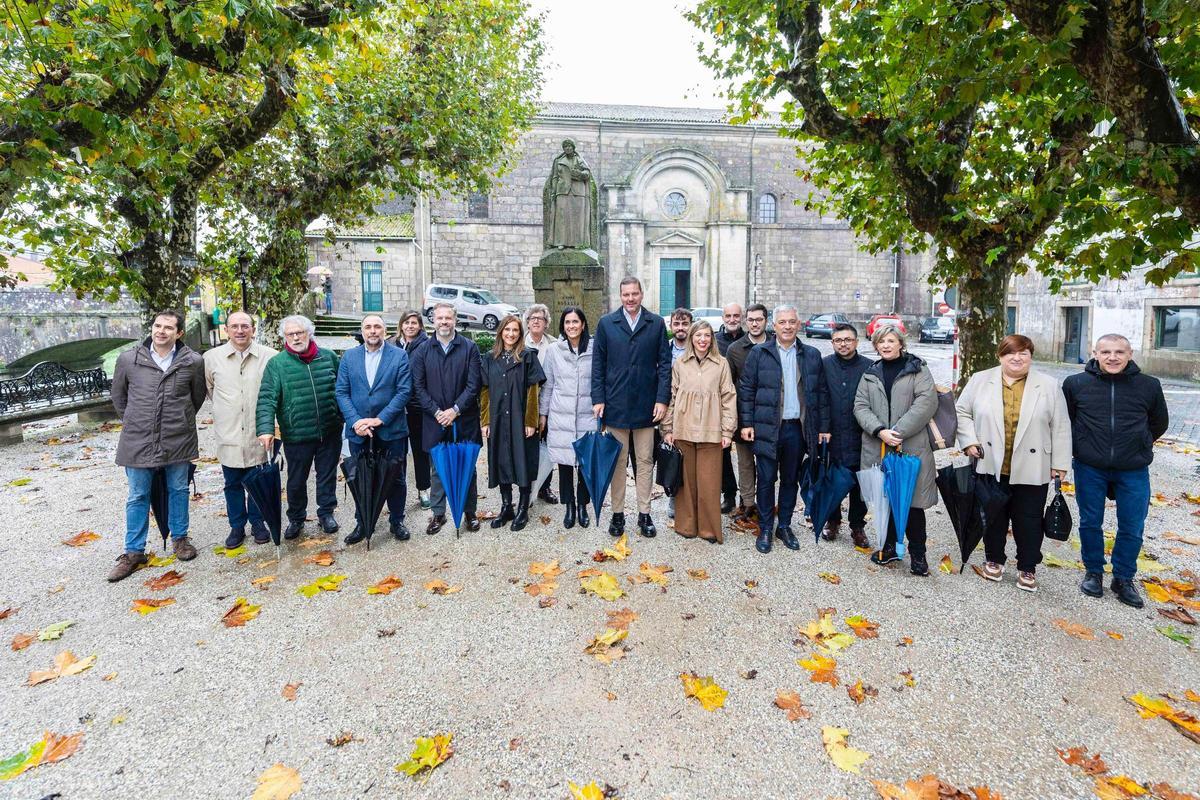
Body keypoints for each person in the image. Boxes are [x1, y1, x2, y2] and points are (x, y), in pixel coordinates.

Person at [955, 334, 1071, 592]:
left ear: (1031, 356)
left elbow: (1061, 426)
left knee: (1028, 519)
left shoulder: (1049, 385)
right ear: (1000, 356)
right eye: (1010, 353)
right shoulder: (980, 380)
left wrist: (1060, 463)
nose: (1017, 358)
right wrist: (968, 440)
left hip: (1033, 464)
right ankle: (994, 559)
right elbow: (961, 412)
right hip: (990, 460)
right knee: (993, 515)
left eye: (1023, 353)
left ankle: (1027, 565)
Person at [1063, 333, 1169, 608]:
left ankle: (1123, 577)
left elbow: (1159, 423)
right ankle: (1094, 571)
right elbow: (1067, 422)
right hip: (1090, 466)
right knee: (1090, 522)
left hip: (1133, 468)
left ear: (1130, 354)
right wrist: (1082, 446)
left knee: (1133, 526)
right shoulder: (1076, 384)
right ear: (1095, 353)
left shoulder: (1149, 385)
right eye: (1106, 352)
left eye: (1119, 352)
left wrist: (1139, 444)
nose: (1113, 357)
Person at [107, 310, 207, 582]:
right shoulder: (130, 359)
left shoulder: (193, 361)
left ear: (179, 333)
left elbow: (196, 397)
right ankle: (133, 551)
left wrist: (180, 418)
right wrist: (136, 420)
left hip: (178, 437)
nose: (161, 331)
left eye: (168, 328)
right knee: (138, 495)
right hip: (137, 438)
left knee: (178, 488)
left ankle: (180, 539)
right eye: (157, 326)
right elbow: (119, 397)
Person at [739, 305, 830, 554]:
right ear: (774, 326)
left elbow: (820, 393)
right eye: (782, 322)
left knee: (790, 480)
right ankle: (766, 527)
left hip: (797, 430)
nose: (787, 326)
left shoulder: (811, 355)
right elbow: (746, 390)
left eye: (792, 322)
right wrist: (746, 424)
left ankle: (785, 525)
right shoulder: (759, 353)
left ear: (798, 325)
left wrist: (823, 427)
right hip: (768, 427)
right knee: (767, 479)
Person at [853, 325, 939, 575]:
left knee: (911, 503)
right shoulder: (871, 373)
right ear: (876, 345)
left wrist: (898, 431)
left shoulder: (917, 369)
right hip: (878, 445)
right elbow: (860, 405)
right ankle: (889, 547)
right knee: (885, 500)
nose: (886, 345)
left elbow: (927, 402)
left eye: (891, 340)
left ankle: (918, 555)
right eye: (881, 341)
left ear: (901, 343)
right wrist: (880, 431)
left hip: (910, 446)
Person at [591, 276, 672, 538]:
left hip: (647, 406)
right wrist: (598, 399)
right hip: (615, 405)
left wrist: (662, 399)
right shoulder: (606, 324)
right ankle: (617, 514)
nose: (630, 299)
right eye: (626, 294)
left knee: (646, 461)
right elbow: (598, 366)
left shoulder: (656, 323)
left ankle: (644, 513)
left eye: (634, 294)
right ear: (620, 295)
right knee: (617, 462)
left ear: (641, 294)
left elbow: (665, 366)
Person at [256, 315, 342, 541]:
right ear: (285, 337)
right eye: (290, 334)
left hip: (329, 431)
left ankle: (326, 513)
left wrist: (342, 417)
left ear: (309, 334)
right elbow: (266, 398)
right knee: (296, 480)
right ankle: (296, 517)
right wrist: (265, 429)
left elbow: (343, 389)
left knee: (327, 475)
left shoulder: (329, 357)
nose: (295, 337)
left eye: (299, 333)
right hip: (296, 434)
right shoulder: (277, 364)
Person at [336, 314, 413, 544]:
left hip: (391, 429)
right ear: (362, 331)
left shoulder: (399, 356)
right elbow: (341, 391)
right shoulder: (349, 357)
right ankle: (363, 522)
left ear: (385, 330)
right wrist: (355, 421)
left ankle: (396, 521)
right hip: (359, 430)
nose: (372, 331)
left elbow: (404, 391)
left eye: (377, 327)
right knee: (361, 478)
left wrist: (379, 420)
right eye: (368, 327)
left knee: (396, 478)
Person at [203, 311, 277, 549]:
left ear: (253, 329)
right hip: (230, 431)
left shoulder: (270, 356)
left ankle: (258, 522)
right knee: (232, 482)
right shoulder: (211, 358)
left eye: (245, 326)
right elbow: (210, 389)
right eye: (234, 326)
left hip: (260, 430)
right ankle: (237, 525)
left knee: (258, 479)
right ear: (227, 330)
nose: (240, 331)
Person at [411, 302, 484, 535]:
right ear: (433, 320)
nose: (444, 322)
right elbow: (417, 386)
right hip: (434, 419)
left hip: (464, 418)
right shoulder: (422, 349)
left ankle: (469, 511)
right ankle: (438, 513)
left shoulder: (469, 347)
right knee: (437, 468)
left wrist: (455, 410)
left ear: (455, 320)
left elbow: (474, 385)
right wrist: (436, 412)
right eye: (440, 318)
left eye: (448, 318)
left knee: (467, 467)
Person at [661, 320, 737, 544]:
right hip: (683, 430)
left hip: (711, 431)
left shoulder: (721, 364)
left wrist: (727, 431)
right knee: (686, 483)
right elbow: (671, 397)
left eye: (706, 336)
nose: (702, 340)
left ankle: (708, 529)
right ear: (692, 339)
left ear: (711, 339)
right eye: (698, 336)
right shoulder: (680, 364)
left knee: (709, 483)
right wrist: (667, 428)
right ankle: (686, 525)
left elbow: (728, 398)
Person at [480, 316, 545, 531]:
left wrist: (531, 421)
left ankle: (523, 508)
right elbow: (485, 391)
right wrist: (486, 419)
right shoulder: (490, 358)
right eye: (507, 329)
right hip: (498, 418)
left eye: (515, 330)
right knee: (501, 460)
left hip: (520, 419)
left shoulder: (527, 357)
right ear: (500, 332)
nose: (511, 334)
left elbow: (533, 391)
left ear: (520, 333)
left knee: (523, 461)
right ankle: (507, 505)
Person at [540, 307, 594, 529]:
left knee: (584, 464)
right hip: (560, 415)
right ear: (562, 325)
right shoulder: (554, 350)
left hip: (587, 414)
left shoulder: (594, 348)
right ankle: (569, 506)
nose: (571, 326)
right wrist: (543, 414)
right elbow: (548, 385)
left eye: (575, 322)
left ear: (583, 324)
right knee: (564, 464)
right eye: (567, 322)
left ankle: (582, 505)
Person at [820, 322, 872, 548]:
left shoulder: (870, 367)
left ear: (856, 342)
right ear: (832, 343)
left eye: (848, 340)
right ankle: (833, 520)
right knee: (833, 480)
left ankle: (857, 525)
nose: (843, 344)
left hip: (861, 435)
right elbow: (819, 398)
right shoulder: (824, 365)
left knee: (861, 483)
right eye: (838, 340)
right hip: (833, 433)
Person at [726, 303, 771, 526]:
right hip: (744, 415)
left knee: (767, 463)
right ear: (746, 321)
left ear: (766, 321)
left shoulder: (775, 344)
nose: (754, 324)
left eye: (759, 319)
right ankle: (747, 503)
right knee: (744, 463)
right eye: (751, 320)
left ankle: (765, 503)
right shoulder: (735, 349)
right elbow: (730, 387)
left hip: (770, 417)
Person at [394, 310, 432, 509]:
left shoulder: (426, 345)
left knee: (420, 451)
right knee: (397, 453)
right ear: (401, 325)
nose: (410, 326)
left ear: (420, 326)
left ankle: (423, 489)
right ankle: (396, 492)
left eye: (414, 323)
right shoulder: (391, 344)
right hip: (396, 408)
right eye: (407, 322)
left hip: (417, 406)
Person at [524, 303, 559, 505]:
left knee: (547, 445)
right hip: (526, 404)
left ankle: (545, 487)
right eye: (532, 318)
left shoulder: (554, 344)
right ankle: (526, 486)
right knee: (527, 446)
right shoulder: (519, 343)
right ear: (527, 323)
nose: (536, 321)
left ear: (547, 324)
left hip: (549, 401)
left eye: (541, 318)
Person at [715, 303, 744, 514]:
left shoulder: (748, 340)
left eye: (736, 315)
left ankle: (747, 497)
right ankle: (729, 494)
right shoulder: (715, 341)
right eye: (728, 315)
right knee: (723, 455)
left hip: (745, 406)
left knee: (746, 457)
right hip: (721, 406)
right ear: (723, 317)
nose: (732, 319)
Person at [666, 307, 693, 526]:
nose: (681, 328)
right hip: (671, 409)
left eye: (685, 324)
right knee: (674, 458)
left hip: (693, 411)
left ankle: (693, 503)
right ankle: (674, 499)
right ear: (671, 326)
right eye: (677, 324)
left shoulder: (698, 348)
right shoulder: (665, 350)